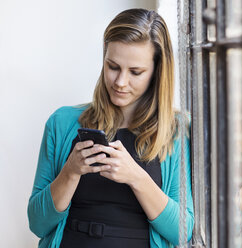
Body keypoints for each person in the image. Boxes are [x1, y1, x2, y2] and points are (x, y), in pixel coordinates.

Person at [27, 8, 194, 248]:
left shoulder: (176, 131)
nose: (120, 82)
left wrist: (136, 177)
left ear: (157, 72)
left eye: (136, 72)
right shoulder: (62, 123)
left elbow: (183, 231)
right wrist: (70, 172)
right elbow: (37, 224)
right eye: (113, 66)